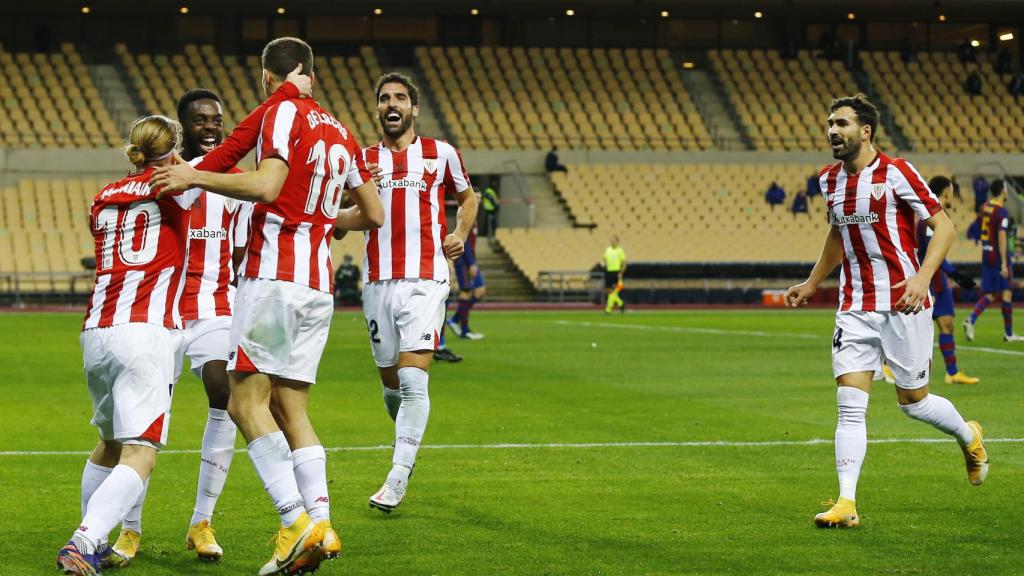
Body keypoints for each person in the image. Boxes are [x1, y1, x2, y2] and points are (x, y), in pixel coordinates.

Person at [152, 37, 383, 575]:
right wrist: (324, 219)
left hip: (275, 278)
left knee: (243, 402)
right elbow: (373, 214)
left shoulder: (281, 112)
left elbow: (267, 184)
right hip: (318, 287)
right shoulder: (341, 130)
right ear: (309, 74)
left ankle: (294, 522)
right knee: (290, 409)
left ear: (266, 76)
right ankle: (322, 523)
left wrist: (193, 174)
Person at [785, 94, 988, 529]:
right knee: (849, 405)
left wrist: (922, 278)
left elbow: (944, 228)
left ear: (865, 131)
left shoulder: (897, 172)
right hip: (854, 305)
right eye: (829, 123)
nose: (832, 130)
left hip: (903, 304)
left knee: (914, 403)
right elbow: (837, 235)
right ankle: (846, 502)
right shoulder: (828, 180)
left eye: (841, 123)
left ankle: (969, 435)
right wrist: (813, 282)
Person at [56, 115, 204, 575]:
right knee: (141, 452)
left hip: (97, 331)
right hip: (144, 331)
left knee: (109, 443)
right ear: (172, 151)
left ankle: (93, 537)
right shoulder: (176, 188)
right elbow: (220, 166)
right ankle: (84, 541)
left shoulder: (102, 198)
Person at [358, 72, 478, 513]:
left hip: (427, 279)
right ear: (377, 110)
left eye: (400, 98)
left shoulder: (440, 153)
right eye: (384, 98)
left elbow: (469, 198)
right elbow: (337, 220)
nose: (392, 104)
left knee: (412, 380)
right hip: (377, 282)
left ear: (414, 109)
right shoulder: (362, 160)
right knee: (392, 386)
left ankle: (397, 475)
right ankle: (408, 439)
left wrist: (459, 233)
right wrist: (355, 192)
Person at [916, 176, 980, 384]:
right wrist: (956, 274)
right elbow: (932, 254)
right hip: (928, 281)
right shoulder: (930, 217)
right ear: (946, 192)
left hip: (939, 281)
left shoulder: (938, 215)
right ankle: (889, 367)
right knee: (916, 330)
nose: (953, 195)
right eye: (951, 191)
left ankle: (952, 373)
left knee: (947, 324)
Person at [964, 179, 1024, 342]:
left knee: (991, 293)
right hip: (998, 255)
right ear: (1003, 190)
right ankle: (1008, 333)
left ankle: (971, 320)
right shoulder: (1001, 212)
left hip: (986, 254)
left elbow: (976, 228)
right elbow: (1002, 236)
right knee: (1006, 292)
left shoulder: (985, 207)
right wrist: (1004, 261)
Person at [448, 215, 486, 339]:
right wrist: (470, 263)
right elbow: (463, 240)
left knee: (480, 291)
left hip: (470, 260)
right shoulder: (466, 217)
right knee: (466, 291)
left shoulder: (473, 218)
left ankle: (455, 319)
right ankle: (464, 330)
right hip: (463, 260)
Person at [601, 236, 626, 313]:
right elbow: (604, 259)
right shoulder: (608, 250)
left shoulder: (620, 250)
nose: (612, 242)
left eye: (614, 241)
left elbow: (624, 263)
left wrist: (621, 273)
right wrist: (603, 263)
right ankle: (620, 303)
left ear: (617, 242)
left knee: (615, 290)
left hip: (616, 272)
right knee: (609, 291)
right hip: (608, 272)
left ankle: (608, 309)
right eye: (611, 241)